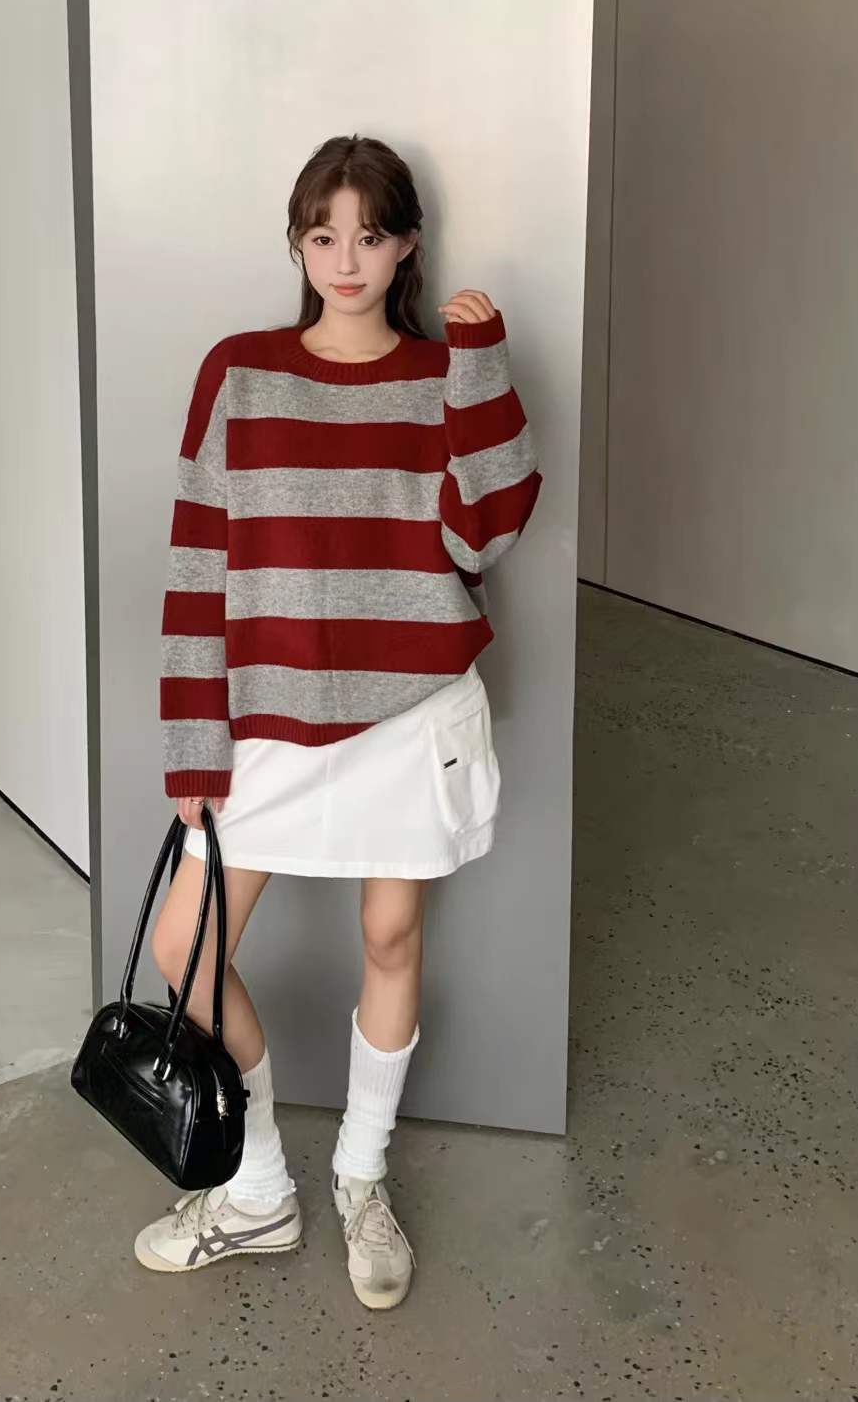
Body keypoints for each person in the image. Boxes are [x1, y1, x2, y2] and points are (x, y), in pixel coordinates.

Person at [135, 133, 542, 1309]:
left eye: (370, 235)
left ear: (407, 244)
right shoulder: (240, 372)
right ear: (299, 244)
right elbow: (199, 561)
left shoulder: (440, 375)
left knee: (391, 939)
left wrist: (479, 366)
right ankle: (260, 1186)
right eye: (324, 235)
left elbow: (488, 534)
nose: (346, 259)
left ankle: (362, 1177)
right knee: (185, 950)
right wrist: (192, 738)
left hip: (408, 711)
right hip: (269, 713)